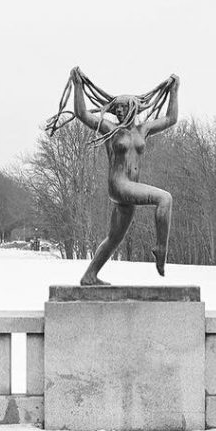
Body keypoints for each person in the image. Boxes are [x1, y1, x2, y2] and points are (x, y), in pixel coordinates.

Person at [69, 66, 179, 286]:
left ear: (133, 109)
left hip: (130, 190)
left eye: (123, 108)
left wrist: (174, 91)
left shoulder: (143, 130)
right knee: (164, 199)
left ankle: (89, 275)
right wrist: (78, 85)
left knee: (114, 238)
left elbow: (171, 118)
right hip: (119, 185)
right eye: (116, 108)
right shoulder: (111, 129)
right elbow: (82, 114)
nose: (118, 112)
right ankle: (161, 248)